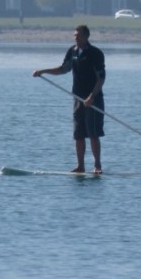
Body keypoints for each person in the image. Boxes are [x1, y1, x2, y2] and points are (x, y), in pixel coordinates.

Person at [33, 25, 106, 174]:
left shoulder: (96, 53)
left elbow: (101, 78)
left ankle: (97, 165)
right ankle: (80, 166)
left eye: (78, 36)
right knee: (78, 134)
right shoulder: (72, 51)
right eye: (74, 36)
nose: (75, 38)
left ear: (86, 36)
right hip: (78, 98)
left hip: (93, 100)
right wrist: (43, 71)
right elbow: (63, 69)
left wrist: (91, 97)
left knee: (93, 133)